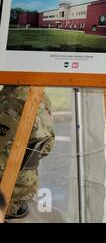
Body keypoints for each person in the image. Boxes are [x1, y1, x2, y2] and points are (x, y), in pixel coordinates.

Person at [0, 86, 55, 220]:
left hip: (7, 190)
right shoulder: (42, 97)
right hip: (24, 186)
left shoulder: (11, 102)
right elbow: (47, 147)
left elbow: (2, 154)